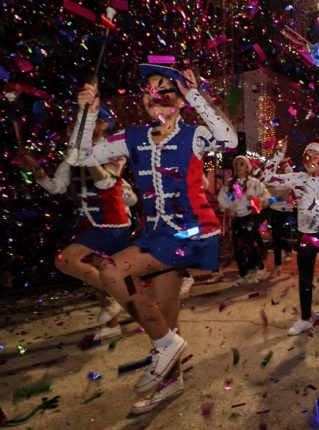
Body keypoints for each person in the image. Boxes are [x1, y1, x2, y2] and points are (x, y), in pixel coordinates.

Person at [73, 64, 238, 413]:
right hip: (156, 235)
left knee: (113, 269)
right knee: (165, 314)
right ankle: (172, 376)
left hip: (190, 232)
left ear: (179, 100)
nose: (155, 96)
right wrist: (86, 114)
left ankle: (164, 344)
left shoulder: (194, 135)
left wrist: (195, 94)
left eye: (164, 90)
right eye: (149, 90)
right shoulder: (133, 137)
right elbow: (81, 156)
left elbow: (230, 140)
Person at [18, 108, 136, 342]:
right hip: (92, 223)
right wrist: (36, 168)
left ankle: (120, 296)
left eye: (87, 122)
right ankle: (113, 323)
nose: (78, 127)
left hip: (112, 222)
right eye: (76, 124)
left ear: (103, 125)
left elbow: (106, 183)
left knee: (67, 260)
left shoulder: (112, 149)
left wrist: (85, 155)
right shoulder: (71, 158)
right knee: (95, 271)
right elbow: (56, 187)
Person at [262, 139, 319, 335]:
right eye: (307, 156)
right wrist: (278, 154)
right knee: (305, 276)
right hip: (306, 234)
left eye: (315, 156)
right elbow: (266, 178)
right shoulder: (297, 178)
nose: (310, 160)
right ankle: (306, 318)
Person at [218, 155, 272, 287]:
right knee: (238, 248)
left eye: (241, 164)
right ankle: (243, 274)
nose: (238, 167)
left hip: (251, 217)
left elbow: (266, 198)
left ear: (248, 168)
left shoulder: (254, 183)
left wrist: (255, 200)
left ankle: (260, 268)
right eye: (236, 164)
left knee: (248, 245)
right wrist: (227, 209)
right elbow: (223, 199)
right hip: (238, 218)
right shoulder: (230, 184)